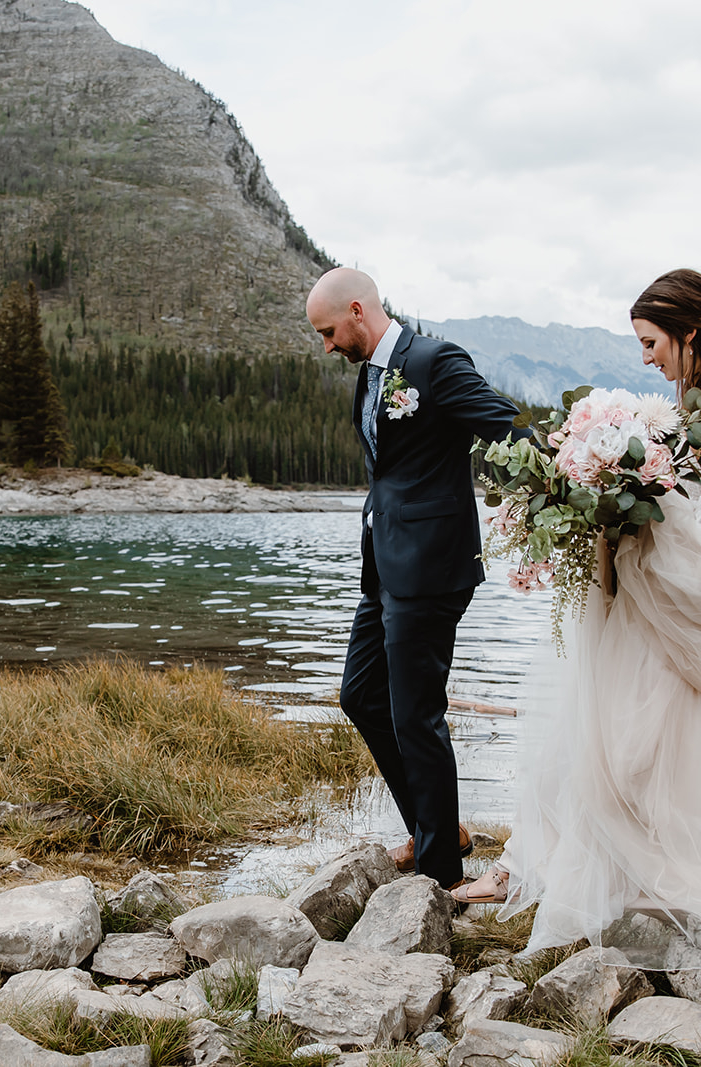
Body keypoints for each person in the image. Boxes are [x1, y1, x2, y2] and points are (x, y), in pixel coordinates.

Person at [451, 269, 701, 970]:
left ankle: (642, 893)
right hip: (647, 612)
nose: (647, 356)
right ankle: (578, 876)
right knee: (609, 743)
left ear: (691, 335)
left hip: (674, 619)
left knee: (635, 752)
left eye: (653, 341)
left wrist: (650, 534)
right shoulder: (694, 408)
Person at [305, 267, 528, 890]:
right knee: (361, 695)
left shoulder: (432, 362)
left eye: (328, 332)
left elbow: (504, 427)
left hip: (432, 566)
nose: (326, 346)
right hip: (383, 565)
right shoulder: (369, 377)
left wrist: (563, 488)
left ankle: (441, 876)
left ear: (357, 310)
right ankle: (440, 827)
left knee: (416, 715)